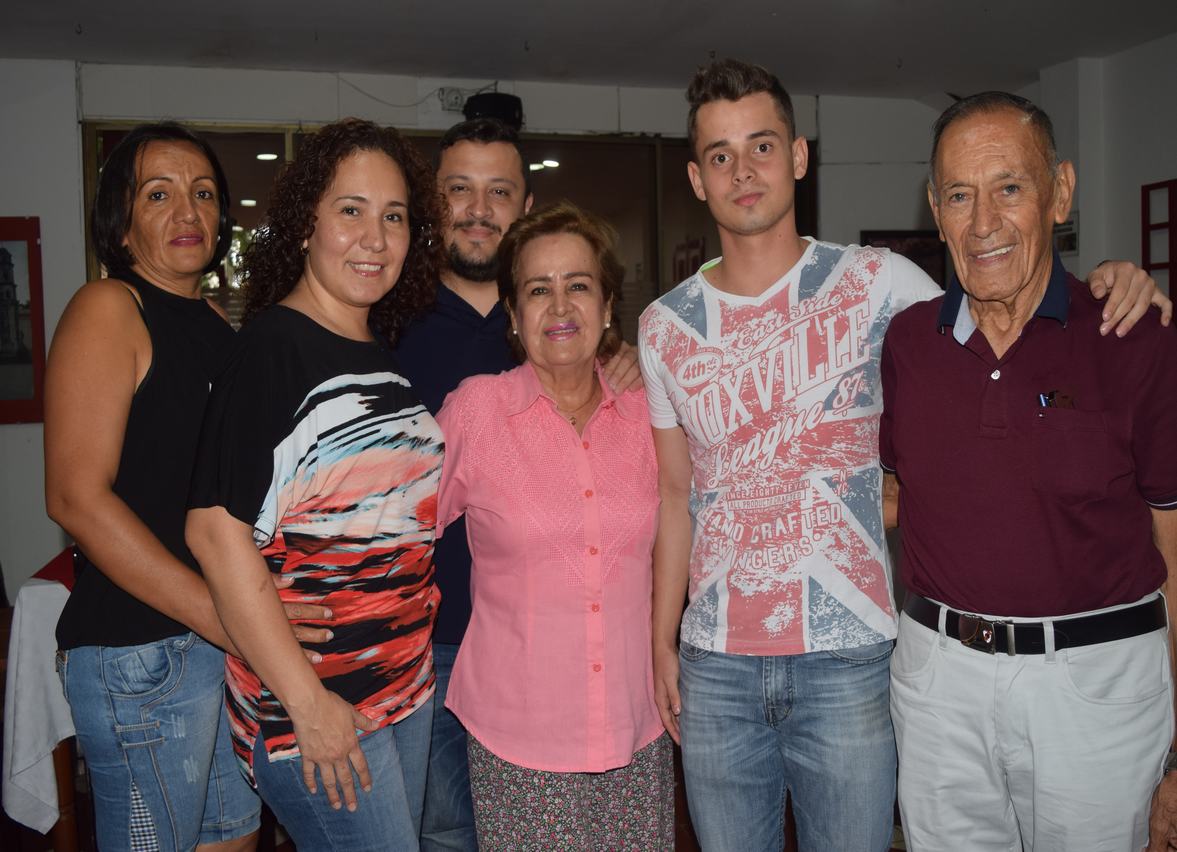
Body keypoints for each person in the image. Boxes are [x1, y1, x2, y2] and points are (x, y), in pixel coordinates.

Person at [637, 59, 1172, 851]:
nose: (742, 171)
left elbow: (1014, 299)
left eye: (760, 145)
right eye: (720, 155)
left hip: (864, 660)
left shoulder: (883, 286)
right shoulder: (666, 327)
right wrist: (661, 639)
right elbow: (682, 490)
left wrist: (1115, 281)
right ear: (695, 177)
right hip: (763, 663)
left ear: (798, 155)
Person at [880, 91, 1177, 852]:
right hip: (937, 685)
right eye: (958, 195)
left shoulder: (1131, 334)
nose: (982, 223)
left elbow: (1173, 545)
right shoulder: (907, 345)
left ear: (1060, 193)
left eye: (1008, 187)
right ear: (934, 207)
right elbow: (890, 495)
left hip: (1094, 691)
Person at [46, 122, 328, 852]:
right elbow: (76, 498)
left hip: (216, 639)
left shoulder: (210, 319)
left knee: (233, 840)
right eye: (159, 194)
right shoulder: (110, 309)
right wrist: (221, 615)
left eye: (203, 194)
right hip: (144, 651)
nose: (188, 212)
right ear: (120, 219)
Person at [185, 118, 446, 852]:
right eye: (350, 209)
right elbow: (213, 531)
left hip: (402, 685)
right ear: (305, 226)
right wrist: (307, 704)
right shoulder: (271, 349)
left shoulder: (375, 352)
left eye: (393, 215)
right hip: (321, 703)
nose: (375, 235)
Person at [395, 117, 641, 852]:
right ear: (432, 205)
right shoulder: (387, 321)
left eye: (498, 191)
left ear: (524, 203)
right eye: (458, 191)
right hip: (434, 646)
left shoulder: (602, 366)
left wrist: (615, 360)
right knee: (444, 834)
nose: (478, 208)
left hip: (575, 662)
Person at [434, 201, 673, 850]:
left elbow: (692, 529)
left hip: (636, 729)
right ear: (512, 316)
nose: (559, 305)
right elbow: (400, 530)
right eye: (538, 290)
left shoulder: (648, 417)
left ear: (606, 307)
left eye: (578, 285)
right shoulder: (477, 412)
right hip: (519, 742)